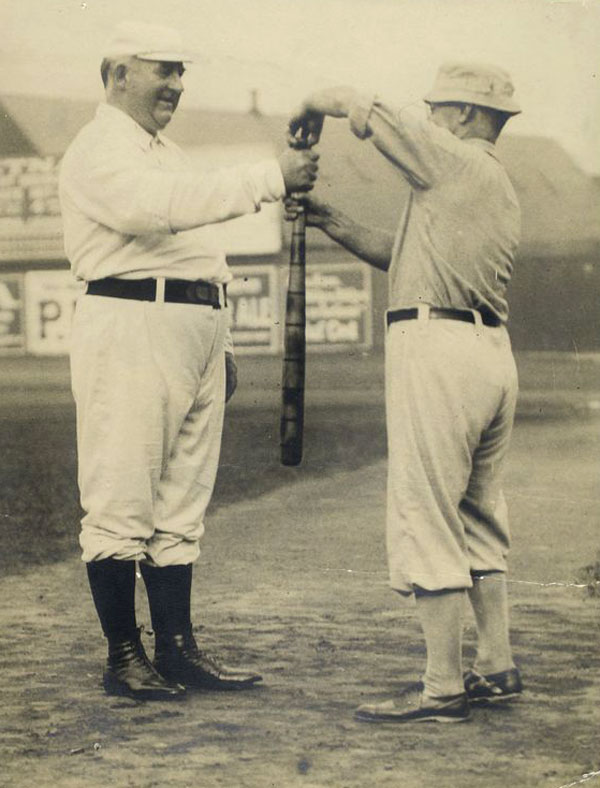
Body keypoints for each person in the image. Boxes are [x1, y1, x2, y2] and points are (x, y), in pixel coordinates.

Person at [59, 20, 318, 701]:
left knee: (180, 502)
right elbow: (159, 211)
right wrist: (268, 176)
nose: (177, 83)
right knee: (122, 493)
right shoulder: (98, 148)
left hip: (193, 324)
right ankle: (124, 656)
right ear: (117, 74)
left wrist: (222, 342)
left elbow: (200, 248)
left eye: (181, 71)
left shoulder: (161, 147)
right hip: (130, 320)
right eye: (162, 69)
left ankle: (176, 649)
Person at [287, 62, 523, 723]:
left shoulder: (451, 160)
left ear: (469, 116)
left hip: (440, 351)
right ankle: (496, 664)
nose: (434, 119)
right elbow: (406, 256)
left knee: (426, 515)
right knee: (477, 514)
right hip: (488, 355)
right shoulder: (492, 184)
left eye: (441, 109)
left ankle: (442, 685)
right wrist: (330, 217)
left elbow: (366, 105)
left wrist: (312, 97)